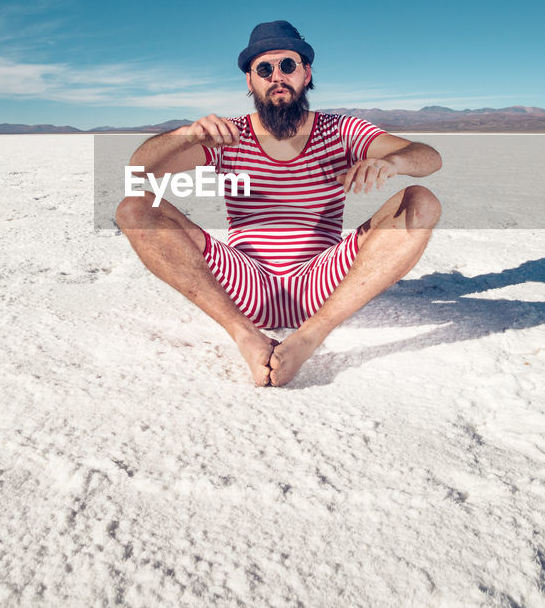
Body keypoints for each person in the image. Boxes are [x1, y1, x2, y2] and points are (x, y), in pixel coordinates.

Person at [115, 20, 442, 386]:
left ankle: (308, 338)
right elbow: (140, 169)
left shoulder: (340, 131)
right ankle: (245, 336)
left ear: (306, 73)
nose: (277, 77)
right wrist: (184, 135)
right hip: (243, 282)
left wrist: (390, 161)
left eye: (288, 65)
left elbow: (428, 157)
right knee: (135, 207)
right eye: (264, 69)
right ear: (250, 80)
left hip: (325, 283)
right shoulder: (229, 136)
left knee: (421, 201)